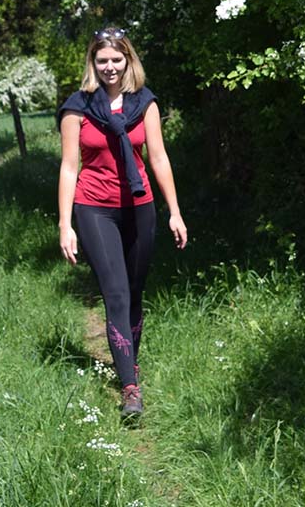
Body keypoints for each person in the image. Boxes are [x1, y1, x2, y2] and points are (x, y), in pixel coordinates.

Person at [57, 26, 188, 418]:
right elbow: (68, 167)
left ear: (128, 60)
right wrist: (66, 223)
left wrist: (175, 211)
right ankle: (130, 388)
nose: (110, 67)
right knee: (114, 293)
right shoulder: (76, 108)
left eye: (117, 59)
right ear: (92, 64)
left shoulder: (144, 103)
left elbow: (158, 157)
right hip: (95, 208)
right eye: (102, 61)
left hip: (139, 205)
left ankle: (129, 361)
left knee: (134, 291)